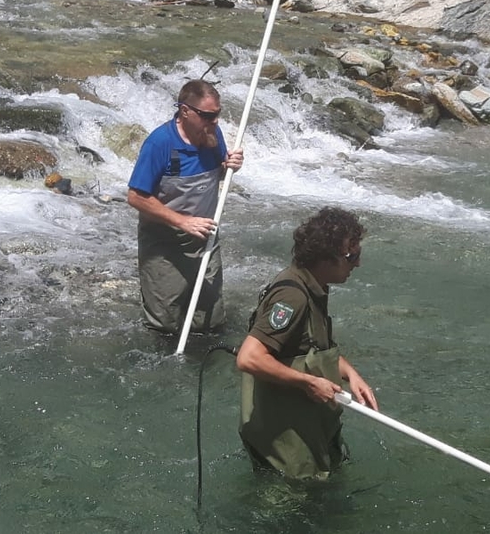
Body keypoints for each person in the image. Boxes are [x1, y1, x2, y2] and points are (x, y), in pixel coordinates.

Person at [237, 207, 378, 480]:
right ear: (327, 256)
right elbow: (249, 357)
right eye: (353, 256)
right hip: (285, 446)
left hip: (306, 429)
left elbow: (312, 345)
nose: (357, 264)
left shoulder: (314, 287)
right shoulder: (293, 297)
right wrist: (310, 383)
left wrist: (351, 374)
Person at [127, 79, 244, 334]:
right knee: (165, 324)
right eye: (207, 116)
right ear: (185, 111)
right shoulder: (160, 143)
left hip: (205, 237)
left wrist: (230, 166)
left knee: (210, 321)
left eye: (218, 114)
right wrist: (182, 221)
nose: (214, 121)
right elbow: (136, 197)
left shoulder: (213, 135)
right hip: (165, 243)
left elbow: (217, 174)